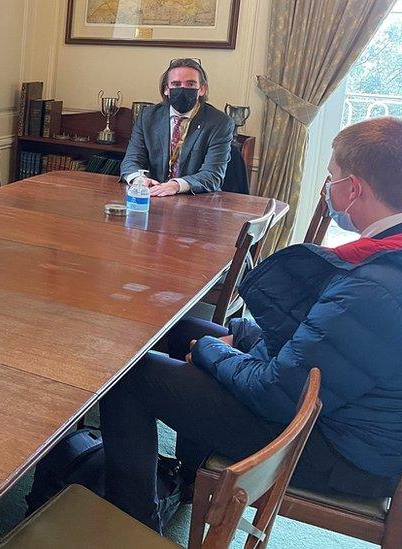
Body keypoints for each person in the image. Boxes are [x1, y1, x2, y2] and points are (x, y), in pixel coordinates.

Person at [100, 116, 402, 533]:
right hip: (343, 413)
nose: (327, 189)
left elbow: (276, 393)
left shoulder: (376, 285)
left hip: (336, 450)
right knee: (181, 331)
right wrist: (238, 335)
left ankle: (133, 525)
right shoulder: (387, 260)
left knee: (128, 374)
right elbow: (323, 345)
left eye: (331, 177)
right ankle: (187, 481)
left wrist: (214, 353)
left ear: (353, 188)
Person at [120, 58, 235, 197]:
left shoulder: (220, 123)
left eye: (190, 84)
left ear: (202, 89)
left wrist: (177, 185)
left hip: (196, 200)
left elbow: (213, 175)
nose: (182, 89)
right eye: (176, 84)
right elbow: (131, 160)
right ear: (166, 89)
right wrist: (139, 180)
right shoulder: (148, 117)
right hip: (153, 195)